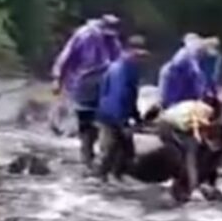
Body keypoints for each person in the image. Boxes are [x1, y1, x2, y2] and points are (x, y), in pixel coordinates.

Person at [52, 14, 122, 167]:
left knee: (106, 120)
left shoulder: (113, 40)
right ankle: (87, 155)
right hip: (84, 81)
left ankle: (100, 155)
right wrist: (57, 79)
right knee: (86, 120)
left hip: (105, 83)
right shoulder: (84, 35)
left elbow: (118, 62)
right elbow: (65, 57)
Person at [96, 35, 150, 181]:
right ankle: (102, 178)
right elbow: (119, 97)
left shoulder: (120, 67)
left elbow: (130, 96)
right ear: (130, 51)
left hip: (109, 114)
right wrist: (123, 123)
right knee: (112, 150)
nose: (141, 59)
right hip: (113, 116)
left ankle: (113, 178)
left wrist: (137, 117)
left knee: (124, 151)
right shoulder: (122, 70)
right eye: (139, 55)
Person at [156, 98, 222, 201]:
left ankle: (192, 185)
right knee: (189, 152)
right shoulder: (205, 112)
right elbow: (197, 128)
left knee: (201, 152)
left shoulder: (205, 113)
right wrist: (195, 189)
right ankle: (185, 187)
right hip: (167, 126)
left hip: (181, 124)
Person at [158, 33, 206, 109]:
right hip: (176, 95)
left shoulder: (184, 55)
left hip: (175, 93)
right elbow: (196, 76)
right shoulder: (186, 55)